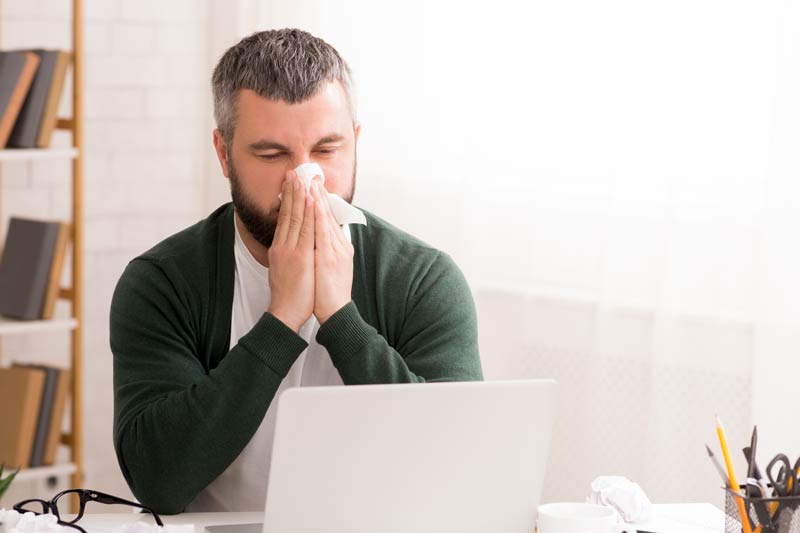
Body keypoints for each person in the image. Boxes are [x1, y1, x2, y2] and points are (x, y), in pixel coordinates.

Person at [110, 28, 483, 515]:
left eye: (327, 151)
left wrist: (341, 318)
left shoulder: (423, 281)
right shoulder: (162, 283)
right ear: (224, 154)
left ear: (355, 142)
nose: (305, 180)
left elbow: (457, 469)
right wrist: (281, 320)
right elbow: (159, 480)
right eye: (272, 154)